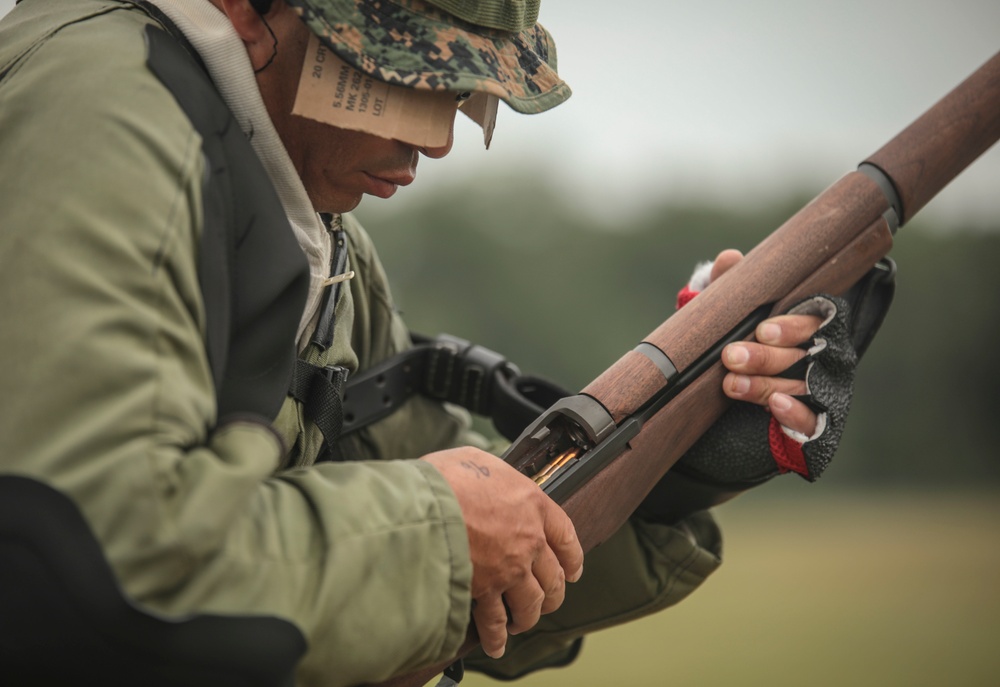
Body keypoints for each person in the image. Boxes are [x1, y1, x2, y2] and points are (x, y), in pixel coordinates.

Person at [0, 0, 854, 685]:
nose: (437, 141)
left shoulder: (310, 227)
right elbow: (79, 566)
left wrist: (693, 447)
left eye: (463, 96)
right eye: (414, 72)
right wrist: (440, 528)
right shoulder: (105, 99)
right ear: (250, 12)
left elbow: (483, 549)